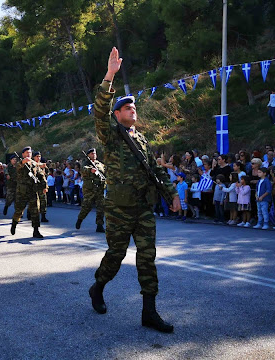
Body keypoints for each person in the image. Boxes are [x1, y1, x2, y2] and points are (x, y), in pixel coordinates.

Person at [88, 47, 180, 333]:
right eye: (128, 108)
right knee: (115, 257)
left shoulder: (140, 139)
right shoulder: (111, 135)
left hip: (142, 206)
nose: (133, 110)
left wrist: (173, 193)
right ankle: (98, 287)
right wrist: (110, 75)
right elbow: (99, 110)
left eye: (134, 108)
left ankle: (149, 312)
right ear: (117, 114)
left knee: (147, 257)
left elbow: (156, 170)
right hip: (118, 208)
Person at [10, 146, 43, 238]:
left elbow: (40, 174)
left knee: (35, 211)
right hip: (22, 192)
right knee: (19, 211)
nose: (29, 154)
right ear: (23, 154)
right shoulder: (20, 163)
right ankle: (14, 224)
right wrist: (22, 162)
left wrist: (44, 186)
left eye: (30, 153)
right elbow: (16, 168)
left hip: (33, 191)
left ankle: (36, 230)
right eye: (27, 153)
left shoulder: (34, 164)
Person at [76, 148, 106, 232]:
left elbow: (105, 171)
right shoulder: (85, 163)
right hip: (90, 189)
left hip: (99, 189)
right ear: (88, 155)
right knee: (86, 207)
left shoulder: (99, 164)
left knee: (101, 208)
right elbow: (83, 169)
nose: (94, 155)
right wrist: (90, 170)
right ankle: (80, 219)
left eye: (95, 153)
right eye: (92, 154)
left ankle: (99, 225)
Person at [32, 152, 49, 222]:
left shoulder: (42, 165)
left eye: (39, 156)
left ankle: (43, 216)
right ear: (34, 157)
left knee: (43, 201)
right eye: (37, 156)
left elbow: (46, 175)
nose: (38, 158)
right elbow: (31, 174)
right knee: (34, 202)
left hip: (42, 187)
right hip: (35, 187)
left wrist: (45, 186)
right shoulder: (32, 165)